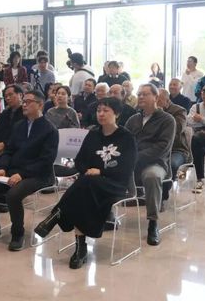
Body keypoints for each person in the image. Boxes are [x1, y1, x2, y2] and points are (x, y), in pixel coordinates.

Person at [34, 97, 137, 269]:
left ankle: (57, 217)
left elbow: (126, 168)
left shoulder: (126, 137)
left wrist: (101, 172)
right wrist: (89, 171)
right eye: (98, 110)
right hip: (90, 183)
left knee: (84, 186)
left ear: (117, 114)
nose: (101, 114)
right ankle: (79, 247)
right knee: (84, 193)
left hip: (115, 183)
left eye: (106, 111)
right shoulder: (93, 134)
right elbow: (80, 161)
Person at [0, 90, 59, 251]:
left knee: (13, 195)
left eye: (28, 102)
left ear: (40, 105)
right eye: (24, 101)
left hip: (38, 174)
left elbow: (46, 160)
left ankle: (17, 233)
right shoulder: (19, 126)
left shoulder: (50, 130)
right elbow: (9, 151)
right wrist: (2, 168)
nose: (24, 105)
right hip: (15, 171)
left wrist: (22, 174)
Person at [125, 84, 176, 246]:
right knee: (106, 171)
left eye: (145, 94)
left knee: (152, 176)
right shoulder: (133, 119)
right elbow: (124, 141)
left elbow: (162, 147)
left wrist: (135, 157)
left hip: (155, 163)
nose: (140, 97)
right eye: (139, 94)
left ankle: (153, 223)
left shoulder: (167, 120)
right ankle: (108, 216)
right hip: (132, 163)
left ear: (156, 97)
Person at [157, 89, 191, 200]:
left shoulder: (179, 111)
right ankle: (139, 193)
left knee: (171, 164)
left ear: (167, 100)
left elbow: (177, 130)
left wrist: (161, 114)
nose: (155, 103)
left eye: (158, 100)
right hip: (157, 148)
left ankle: (162, 194)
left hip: (177, 149)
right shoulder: (149, 111)